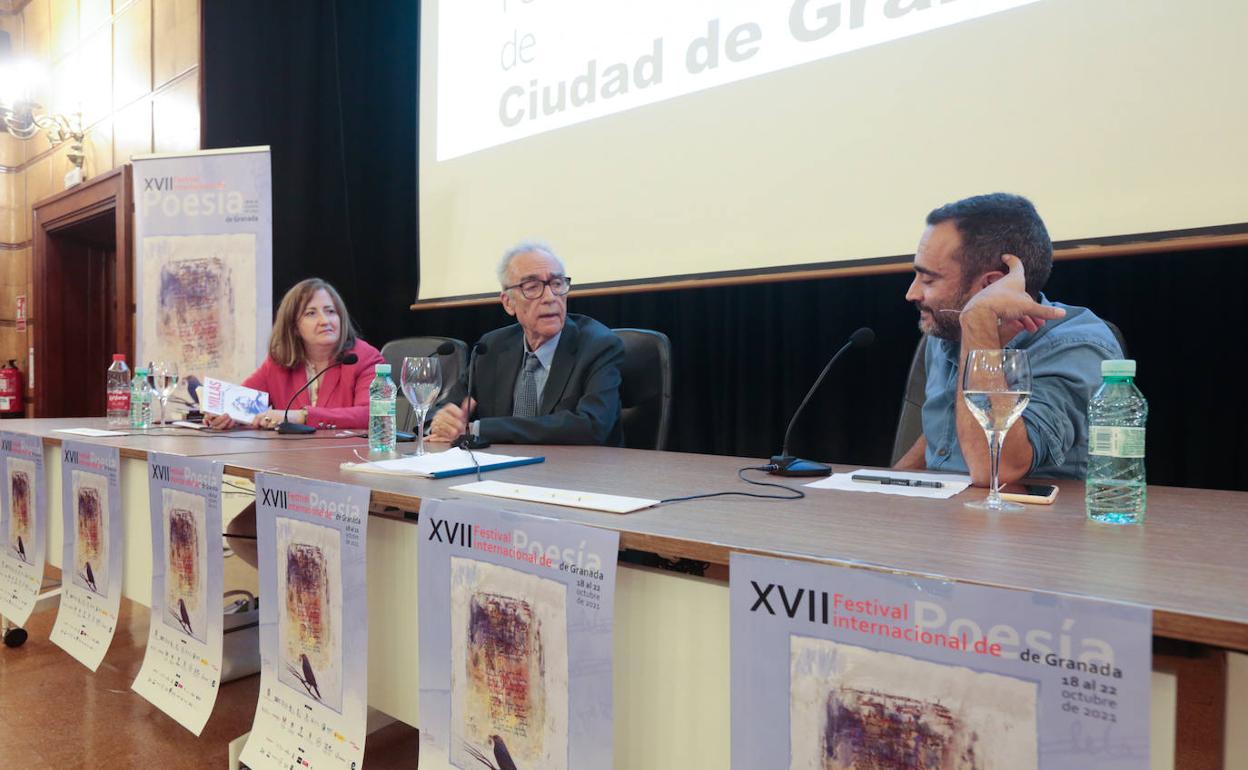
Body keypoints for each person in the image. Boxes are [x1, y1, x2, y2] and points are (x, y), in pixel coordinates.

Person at [893, 193, 1123, 485]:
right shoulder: (948, 334)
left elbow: (995, 469)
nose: (911, 294)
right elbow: (946, 434)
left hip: (1036, 525)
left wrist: (981, 327)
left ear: (991, 285)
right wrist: (891, 483)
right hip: (949, 516)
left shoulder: (1077, 346)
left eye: (928, 280)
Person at [428, 242, 625, 445]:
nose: (550, 297)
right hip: (498, 471)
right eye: (532, 288)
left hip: (576, 472)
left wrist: (477, 429)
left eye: (557, 284)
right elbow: (442, 410)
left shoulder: (598, 346)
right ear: (508, 303)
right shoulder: (492, 348)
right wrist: (442, 422)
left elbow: (592, 426)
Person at [204, 277, 384, 430]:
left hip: (346, 460)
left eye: (330, 311)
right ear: (294, 327)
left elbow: (372, 414)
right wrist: (225, 415)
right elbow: (243, 402)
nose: (324, 321)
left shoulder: (365, 358)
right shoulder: (280, 362)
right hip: (290, 460)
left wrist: (301, 416)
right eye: (311, 313)